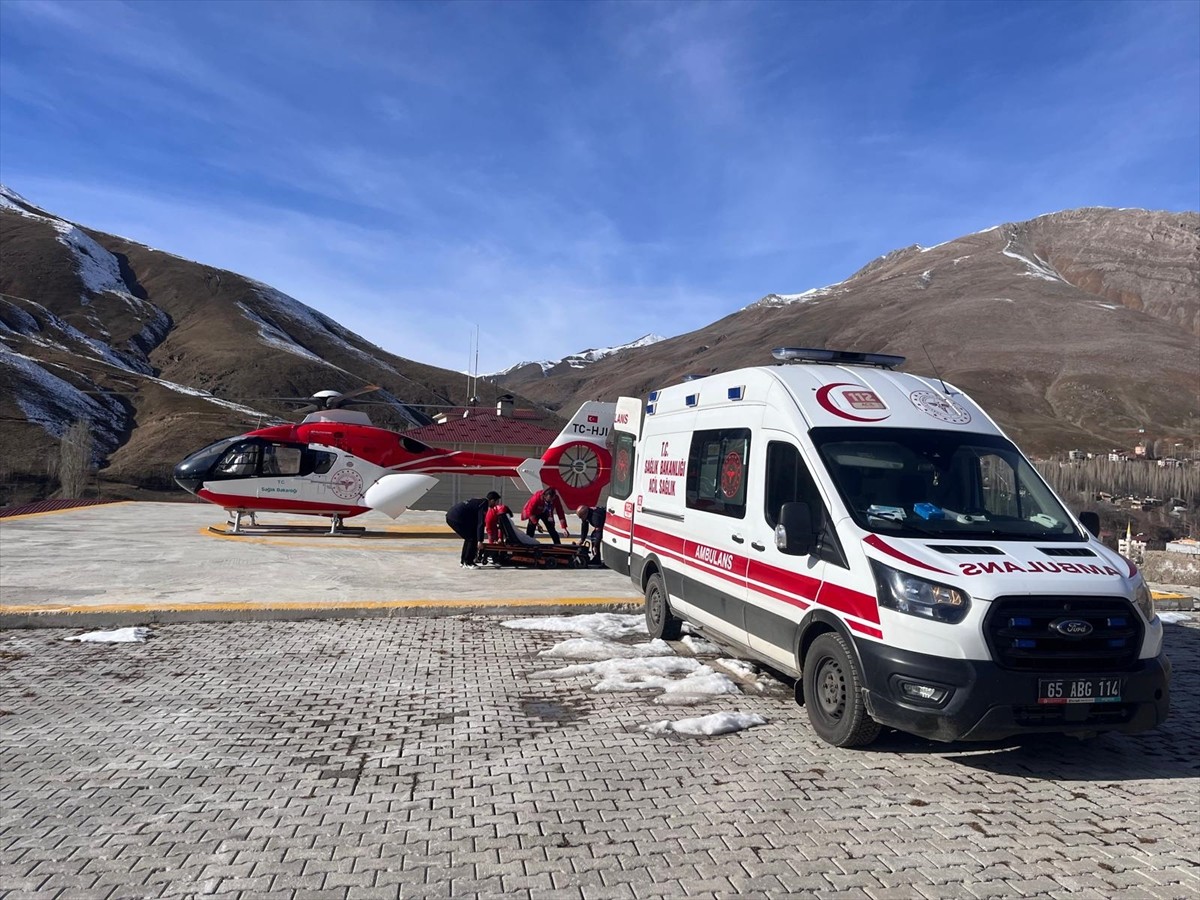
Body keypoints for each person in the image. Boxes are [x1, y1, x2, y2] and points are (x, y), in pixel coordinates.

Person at [445, 491, 500, 568]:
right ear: (492, 501)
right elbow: (481, 523)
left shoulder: (480, 501)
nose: (496, 504)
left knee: (469, 537)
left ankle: (463, 561)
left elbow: (476, 523)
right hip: (456, 518)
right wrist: (480, 541)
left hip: (452, 516)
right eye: (497, 502)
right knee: (472, 538)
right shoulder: (484, 504)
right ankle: (468, 562)